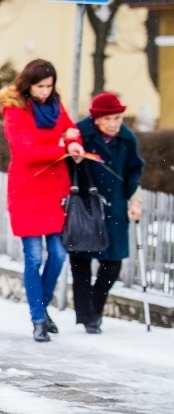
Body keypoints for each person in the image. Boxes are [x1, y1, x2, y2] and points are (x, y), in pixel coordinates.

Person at [0, 59, 85, 343]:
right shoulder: (15, 109)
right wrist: (62, 148)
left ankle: (41, 307)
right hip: (27, 190)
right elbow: (27, 152)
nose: (45, 91)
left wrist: (73, 141)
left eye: (49, 86)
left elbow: (71, 129)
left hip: (55, 190)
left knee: (59, 254)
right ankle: (37, 319)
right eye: (40, 86)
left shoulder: (56, 105)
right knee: (34, 257)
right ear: (28, 85)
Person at [70, 93, 144, 334]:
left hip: (115, 206)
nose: (114, 124)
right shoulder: (80, 133)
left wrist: (135, 201)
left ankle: (94, 308)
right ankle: (87, 317)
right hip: (85, 205)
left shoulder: (127, 138)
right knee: (81, 260)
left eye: (118, 118)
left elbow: (133, 171)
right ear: (96, 118)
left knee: (112, 264)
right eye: (108, 119)